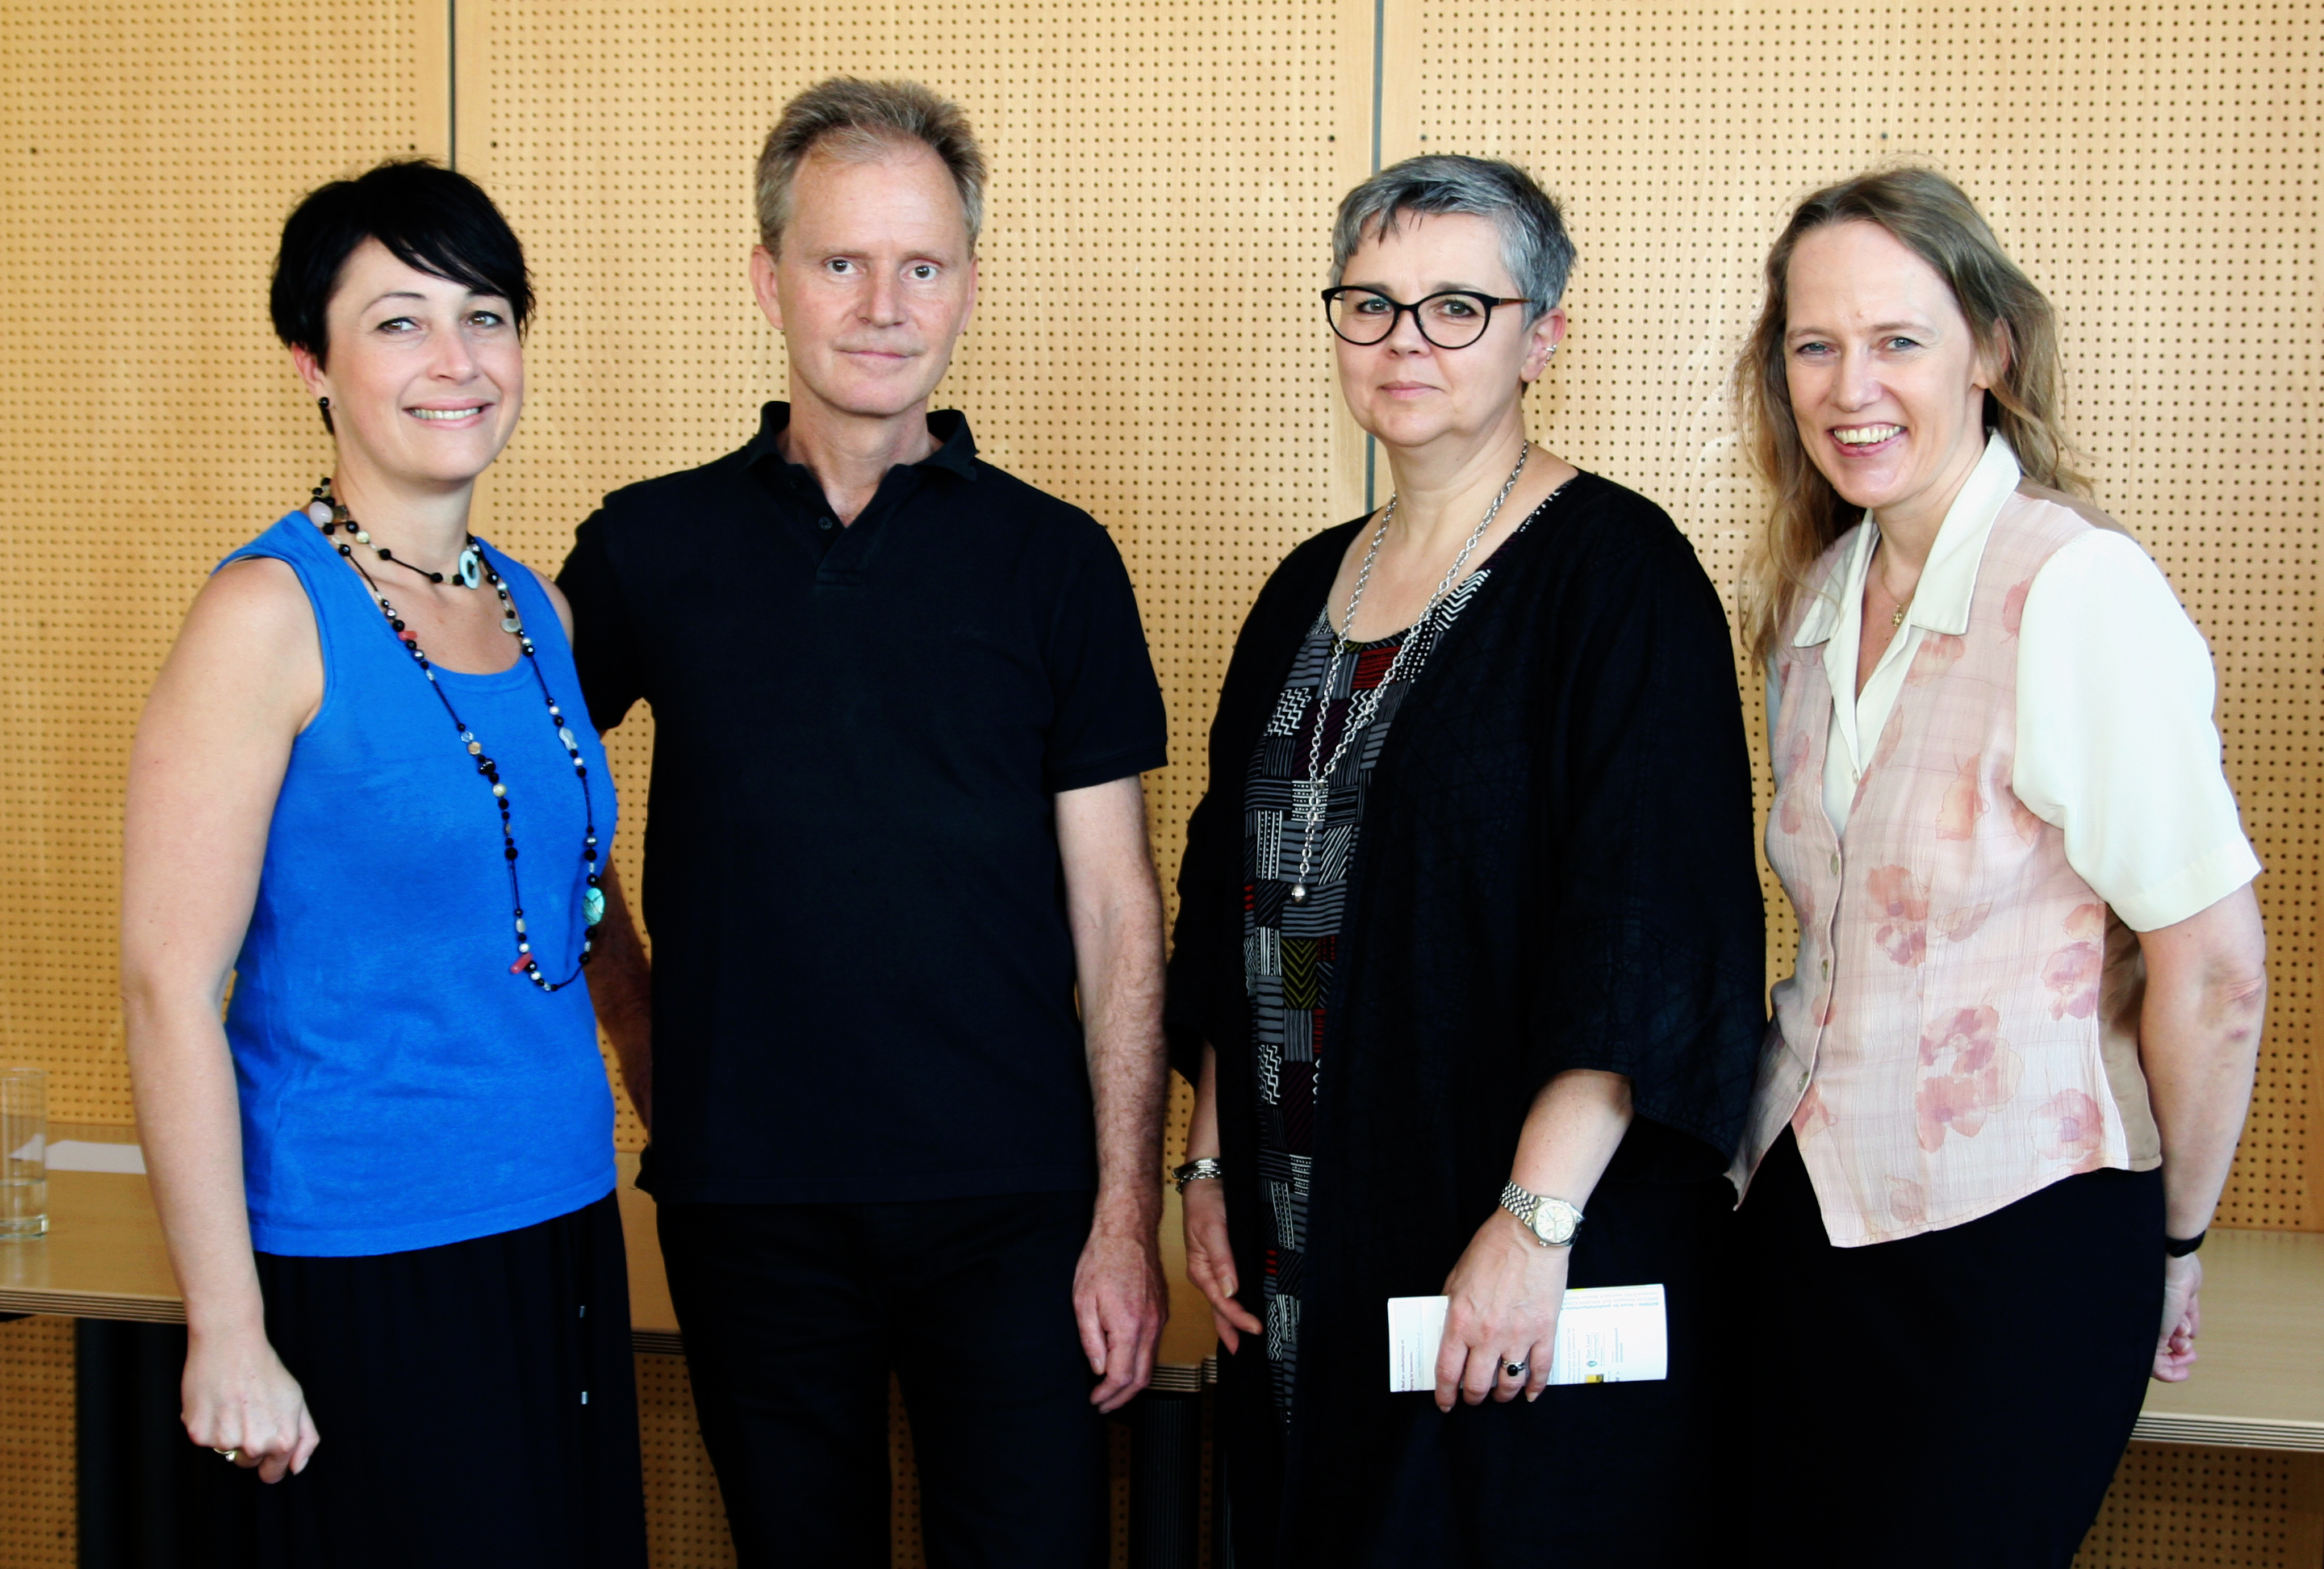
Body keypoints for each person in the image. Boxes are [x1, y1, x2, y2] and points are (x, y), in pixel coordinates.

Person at [558, 77, 1172, 1567]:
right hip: (748, 1200)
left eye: (924, 265)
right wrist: (645, 1036)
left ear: (968, 283)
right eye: (842, 262)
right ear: (769, 278)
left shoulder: (1055, 561)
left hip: (1019, 1212)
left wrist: (1121, 1216)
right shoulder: (647, 548)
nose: (885, 305)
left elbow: (1115, 914)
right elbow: (515, 813)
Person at [1165, 154, 1767, 1568]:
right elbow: (1226, 900)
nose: (1404, 344)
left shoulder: (1619, 577)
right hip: (1304, 1225)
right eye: (1369, 306)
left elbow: (1644, 928)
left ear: (1541, 336)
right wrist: (1206, 1170)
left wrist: (1534, 1222)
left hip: (1511, 1236)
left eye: (1455, 308)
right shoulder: (1303, 587)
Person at [1731, 168, 2270, 1569]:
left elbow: (2213, 974)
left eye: (1900, 339)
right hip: (1804, 1231)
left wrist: (2174, 1244)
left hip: (2017, 1251)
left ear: (1994, 350)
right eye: (1815, 343)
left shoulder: (2076, 590)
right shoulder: (1813, 598)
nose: (1854, 385)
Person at [119, 159, 646, 1566]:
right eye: (400, 322)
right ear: (313, 362)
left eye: (486, 316)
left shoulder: (533, 605)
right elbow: (170, 987)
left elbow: (573, 904)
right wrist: (226, 1329)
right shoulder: (265, 616)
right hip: (360, 1250)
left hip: (556, 1218)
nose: (456, 361)